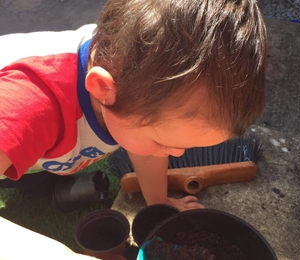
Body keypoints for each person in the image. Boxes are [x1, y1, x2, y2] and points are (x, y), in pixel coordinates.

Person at [0, 0, 266, 258]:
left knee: (33, 180)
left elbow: (148, 151)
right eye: (162, 142)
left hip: (42, 151)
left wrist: (158, 204)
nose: (173, 153)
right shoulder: (29, 107)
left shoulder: (129, 82)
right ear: (103, 89)